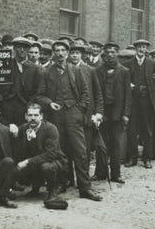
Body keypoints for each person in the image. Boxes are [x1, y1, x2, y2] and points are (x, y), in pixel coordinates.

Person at [36, 40, 101, 201]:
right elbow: (39, 95)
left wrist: (78, 110)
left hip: (74, 114)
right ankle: (62, 183)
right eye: (56, 50)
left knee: (80, 152)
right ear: (53, 53)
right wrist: (50, 103)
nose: (60, 53)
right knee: (60, 152)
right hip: (56, 116)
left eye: (63, 50)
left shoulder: (76, 70)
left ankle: (85, 188)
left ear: (67, 53)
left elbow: (86, 94)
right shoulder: (47, 72)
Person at [125, 39, 155, 169]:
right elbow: (122, 81)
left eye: (144, 47)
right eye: (139, 47)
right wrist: (129, 85)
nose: (141, 49)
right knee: (132, 131)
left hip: (147, 102)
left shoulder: (152, 63)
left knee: (148, 131)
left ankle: (147, 158)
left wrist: (152, 86)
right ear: (135, 49)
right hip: (133, 102)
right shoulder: (128, 63)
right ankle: (133, 158)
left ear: (146, 49)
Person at [93, 42, 131, 183]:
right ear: (104, 54)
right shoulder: (97, 70)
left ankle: (116, 174)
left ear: (117, 54)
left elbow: (128, 95)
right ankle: (100, 172)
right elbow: (95, 93)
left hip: (117, 113)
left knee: (115, 143)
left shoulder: (124, 71)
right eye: (107, 52)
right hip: (102, 113)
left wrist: (126, 114)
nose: (110, 55)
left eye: (113, 52)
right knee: (101, 144)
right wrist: (97, 113)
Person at [15, 103, 67, 201]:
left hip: (55, 162)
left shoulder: (50, 129)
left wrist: (27, 162)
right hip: (36, 162)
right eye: (30, 115)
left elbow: (51, 155)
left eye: (36, 115)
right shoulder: (23, 128)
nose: (33, 118)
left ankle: (53, 191)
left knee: (46, 167)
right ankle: (35, 188)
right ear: (26, 116)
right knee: (18, 168)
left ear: (41, 116)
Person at [68, 43, 103, 183]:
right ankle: (69, 179)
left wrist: (99, 113)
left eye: (77, 53)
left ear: (82, 54)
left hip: (87, 115)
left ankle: (84, 179)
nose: (74, 55)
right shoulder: (66, 69)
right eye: (72, 53)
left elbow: (98, 94)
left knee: (86, 149)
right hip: (70, 116)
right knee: (69, 148)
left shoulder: (90, 70)